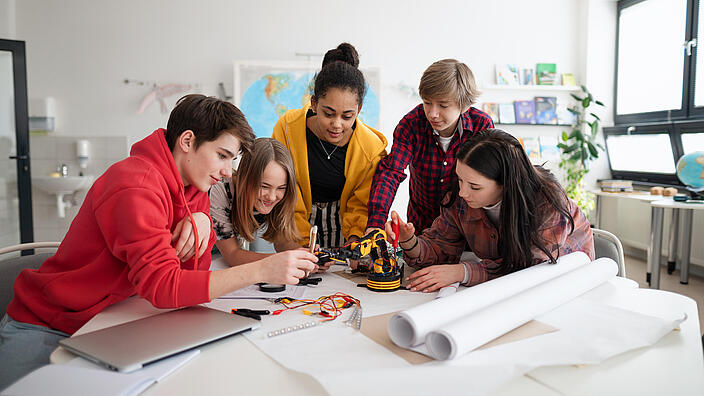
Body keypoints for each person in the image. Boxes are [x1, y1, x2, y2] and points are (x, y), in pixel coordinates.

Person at [0, 95, 317, 389]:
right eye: (222, 155)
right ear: (188, 141)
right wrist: (260, 271)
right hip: (46, 325)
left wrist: (202, 220)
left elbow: (195, 271)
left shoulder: (194, 186)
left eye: (230, 160)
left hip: (108, 323)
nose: (225, 171)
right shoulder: (135, 186)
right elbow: (164, 287)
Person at [385, 129, 595, 292]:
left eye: (475, 187)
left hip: (568, 285)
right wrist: (409, 241)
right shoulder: (459, 198)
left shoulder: (547, 201)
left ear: (507, 184)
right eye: (459, 179)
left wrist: (464, 272)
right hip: (507, 291)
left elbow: (531, 269)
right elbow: (441, 248)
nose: (462, 192)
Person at [272, 43, 387, 249]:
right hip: (293, 225)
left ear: (358, 109)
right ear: (314, 104)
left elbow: (360, 205)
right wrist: (303, 244)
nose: (337, 124)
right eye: (328, 113)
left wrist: (354, 243)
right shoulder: (287, 130)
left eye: (347, 116)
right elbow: (287, 193)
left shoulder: (371, 149)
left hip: (344, 229)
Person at [366, 59, 494, 236]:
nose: (432, 114)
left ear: (464, 105)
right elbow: (391, 172)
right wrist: (376, 222)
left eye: (443, 105)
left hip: (468, 230)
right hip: (422, 228)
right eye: (427, 102)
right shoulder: (411, 125)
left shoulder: (482, 125)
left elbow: (491, 181)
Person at [210, 137, 305, 265]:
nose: (271, 197)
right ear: (245, 178)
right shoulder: (219, 190)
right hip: (202, 261)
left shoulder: (281, 198)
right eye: (264, 186)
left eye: (281, 188)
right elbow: (232, 255)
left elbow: (282, 241)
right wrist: (284, 260)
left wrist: (303, 254)